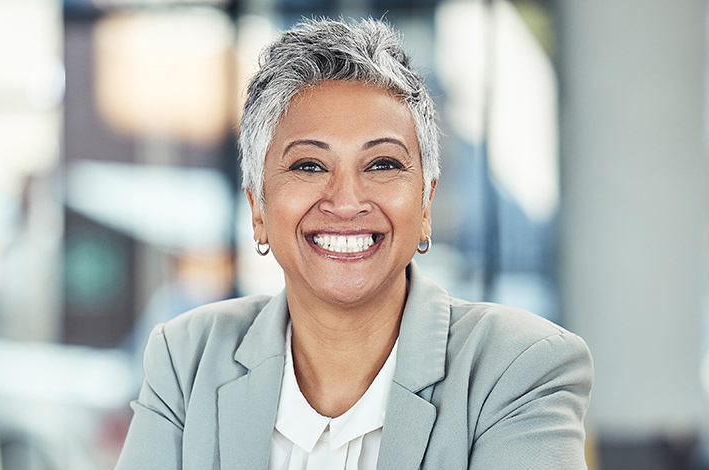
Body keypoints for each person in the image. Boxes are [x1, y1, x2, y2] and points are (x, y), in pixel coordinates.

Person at [116, 18, 592, 470]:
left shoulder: (520, 367)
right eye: (308, 165)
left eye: (382, 164)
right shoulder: (187, 359)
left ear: (425, 205)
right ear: (258, 209)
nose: (346, 202)